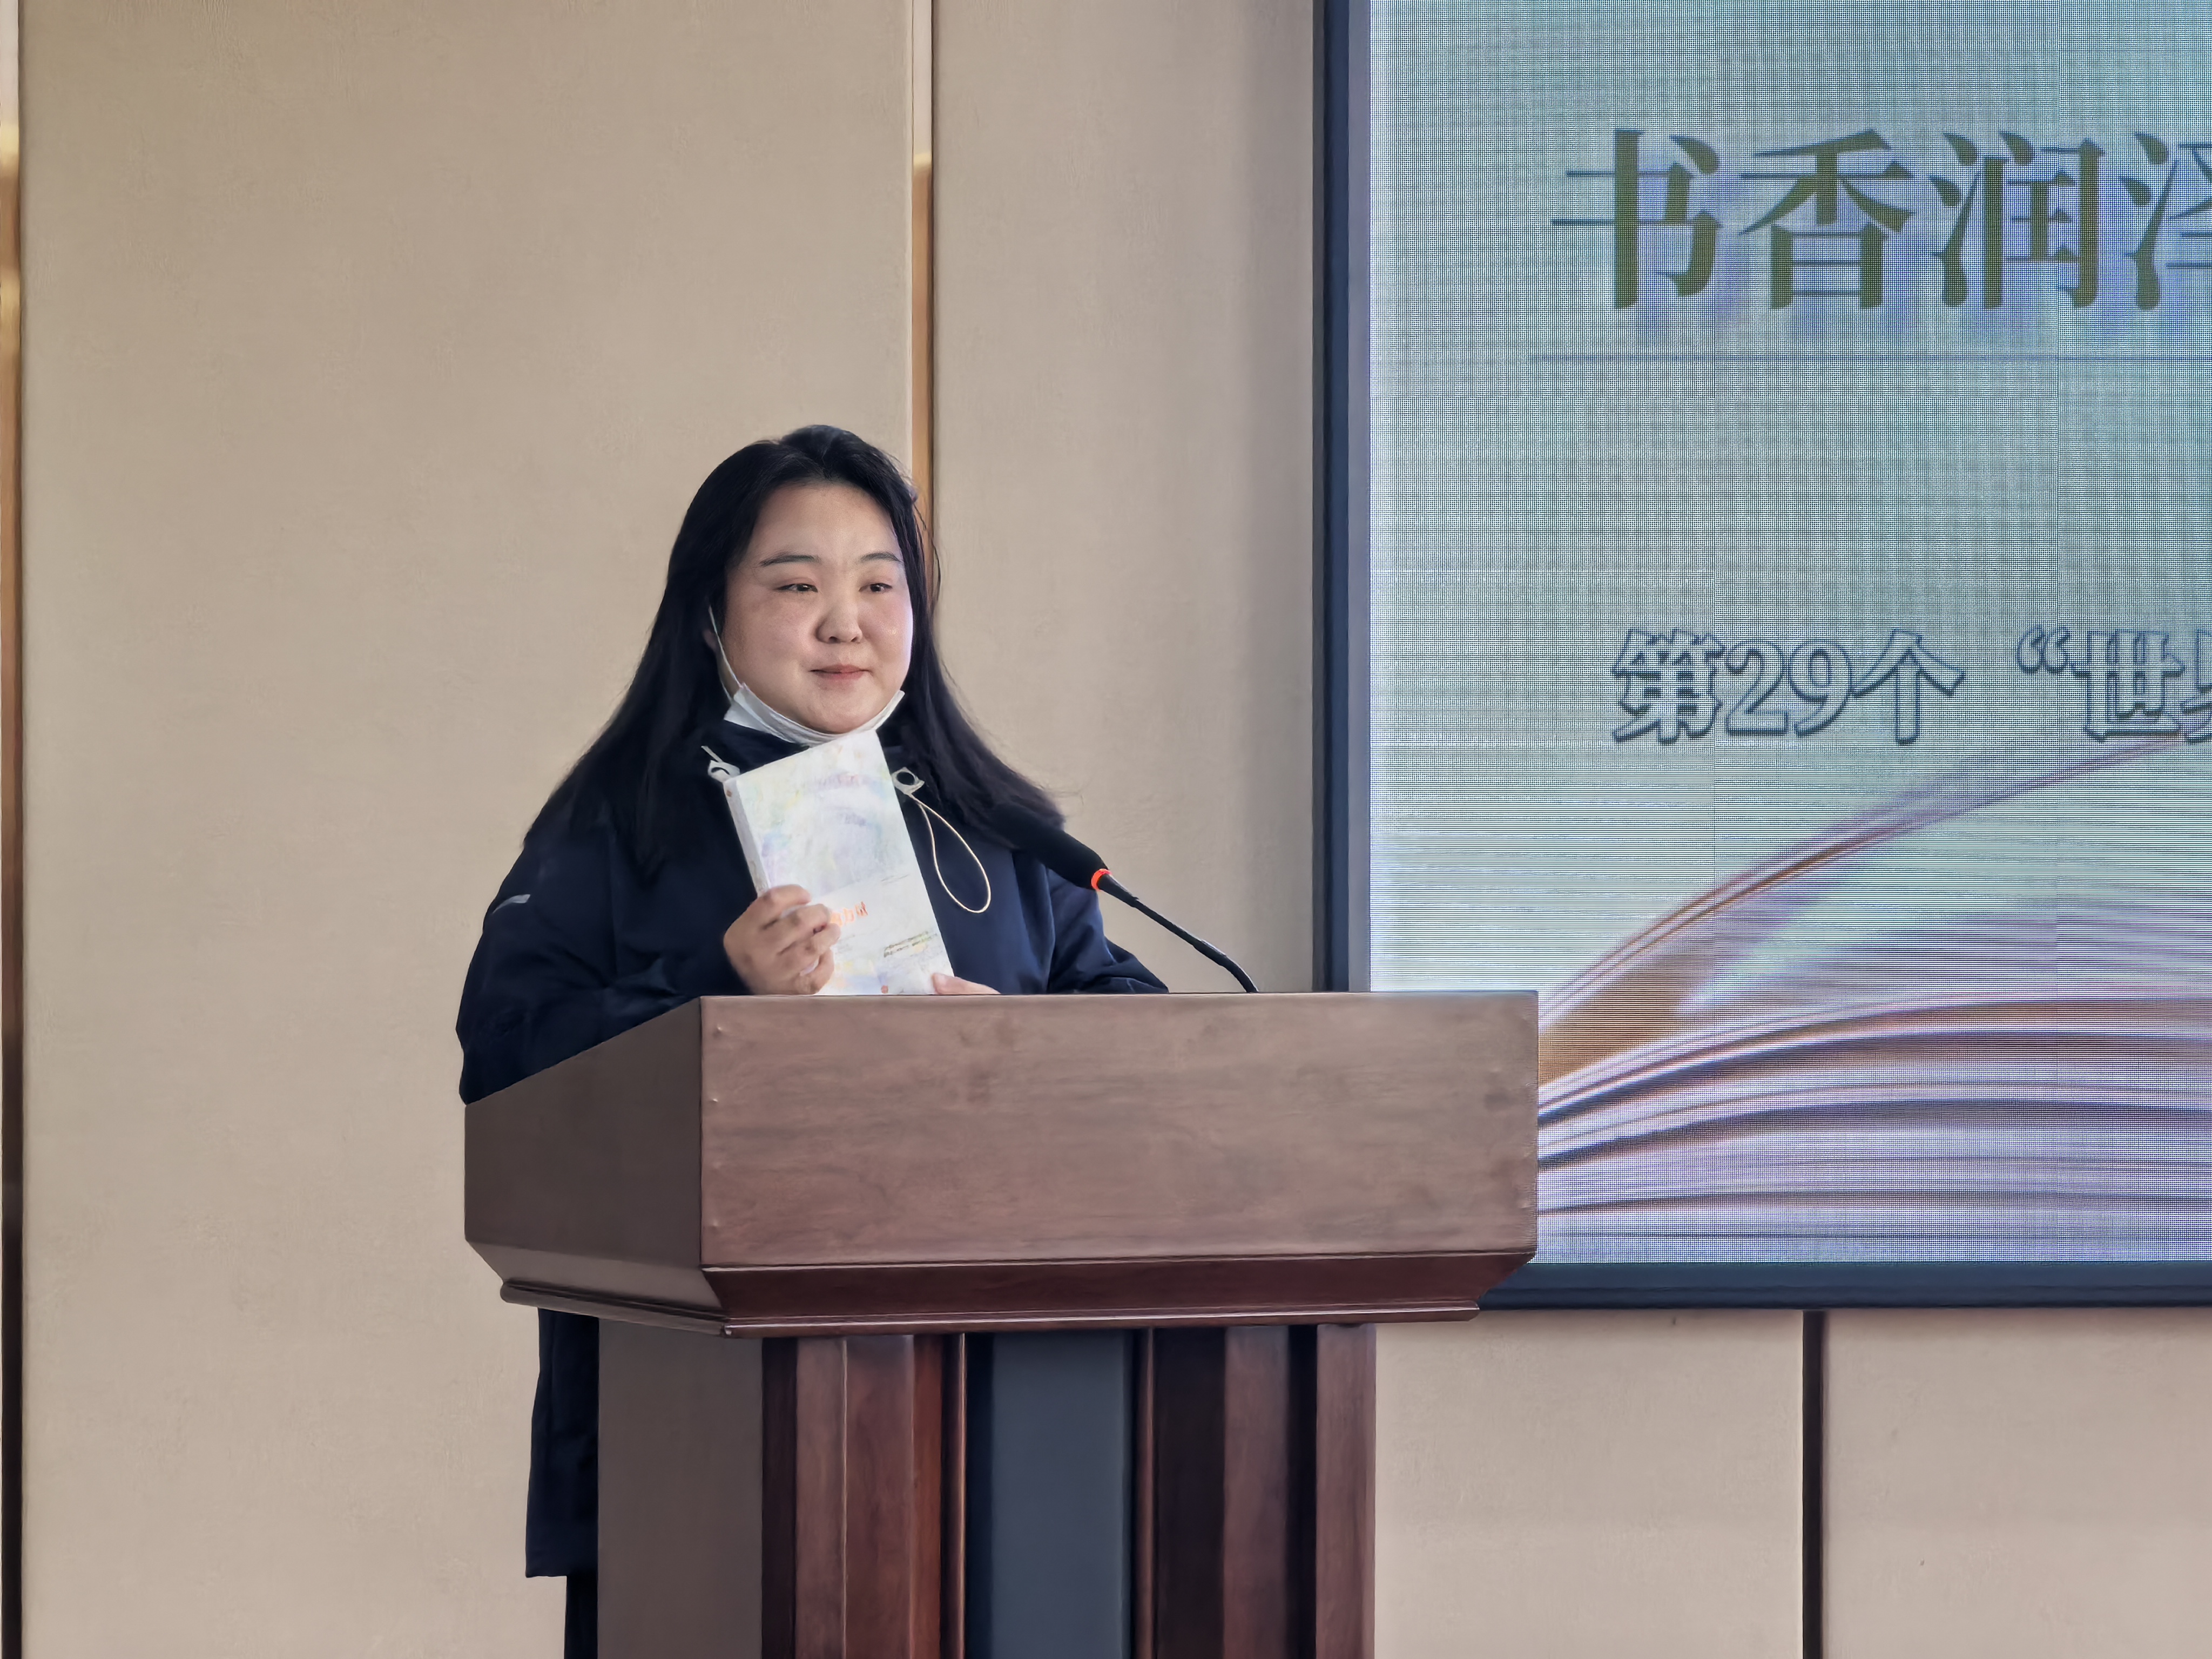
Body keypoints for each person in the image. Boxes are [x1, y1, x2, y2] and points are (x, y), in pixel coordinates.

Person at [455, 424, 1164, 1657]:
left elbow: (1141, 1036)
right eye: (797, 586)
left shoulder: (999, 827)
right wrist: (713, 989)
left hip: (1012, 1409)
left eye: (880, 586)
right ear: (710, 613)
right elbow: (508, 1051)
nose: (846, 623)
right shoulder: (621, 823)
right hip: (698, 1416)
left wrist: (1030, 1049)